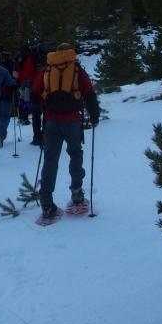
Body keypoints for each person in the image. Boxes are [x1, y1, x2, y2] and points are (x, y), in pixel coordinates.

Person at [32, 43, 100, 221]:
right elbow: (89, 94)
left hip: (51, 121)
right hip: (72, 121)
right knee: (75, 154)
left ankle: (47, 204)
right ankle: (77, 193)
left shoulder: (47, 69)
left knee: (50, 160)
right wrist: (95, 117)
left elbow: (35, 94)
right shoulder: (76, 69)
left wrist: (44, 109)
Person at [0, 45, 16, 148]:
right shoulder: (11, 62)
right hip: (7, 92)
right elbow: (15, 76)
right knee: (4, 116)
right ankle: (0, 136)